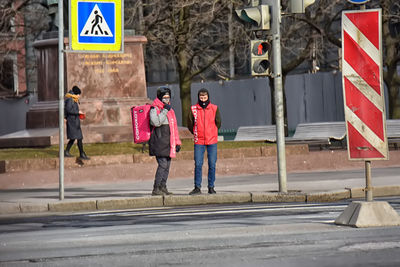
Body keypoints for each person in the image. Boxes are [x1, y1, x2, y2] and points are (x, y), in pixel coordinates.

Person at [187, 88, 221, 195]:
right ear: (198, 97)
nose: (203, 100)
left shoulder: (214, 108)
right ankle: (197, 187)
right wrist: (196, 132)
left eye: (205, 97)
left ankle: (211, 187)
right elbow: (190, 123)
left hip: (212, 140)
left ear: (208, 97)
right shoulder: (193, 109)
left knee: (212, 164)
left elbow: (218, 122)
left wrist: (212, 132)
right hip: (199, 140)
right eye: (201, 97)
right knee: (198, 164)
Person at [149, 86, 182, 196]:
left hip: (168, 142)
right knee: (162, 165)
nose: (167, 100)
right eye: (164, 98)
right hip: (159, 142)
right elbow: (156, 122)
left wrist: (177, 142)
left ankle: (163, 187)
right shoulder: (155, 108)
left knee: (167, 166)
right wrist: (164, 111)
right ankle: (156, 188)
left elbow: (174, 128)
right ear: (159, 97)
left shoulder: (170, 110)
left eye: (168, 98)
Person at [64, 86, 90, 160]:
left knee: (74, 138)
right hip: (72, 122)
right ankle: (82, 153)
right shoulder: (70, 99)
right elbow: (69, 110)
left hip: (74, 121)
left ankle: (67, 151)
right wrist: (78, 112)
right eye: (79, 94)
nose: (79, 96)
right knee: (79, 137)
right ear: (76, 93)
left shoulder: (73, 99)